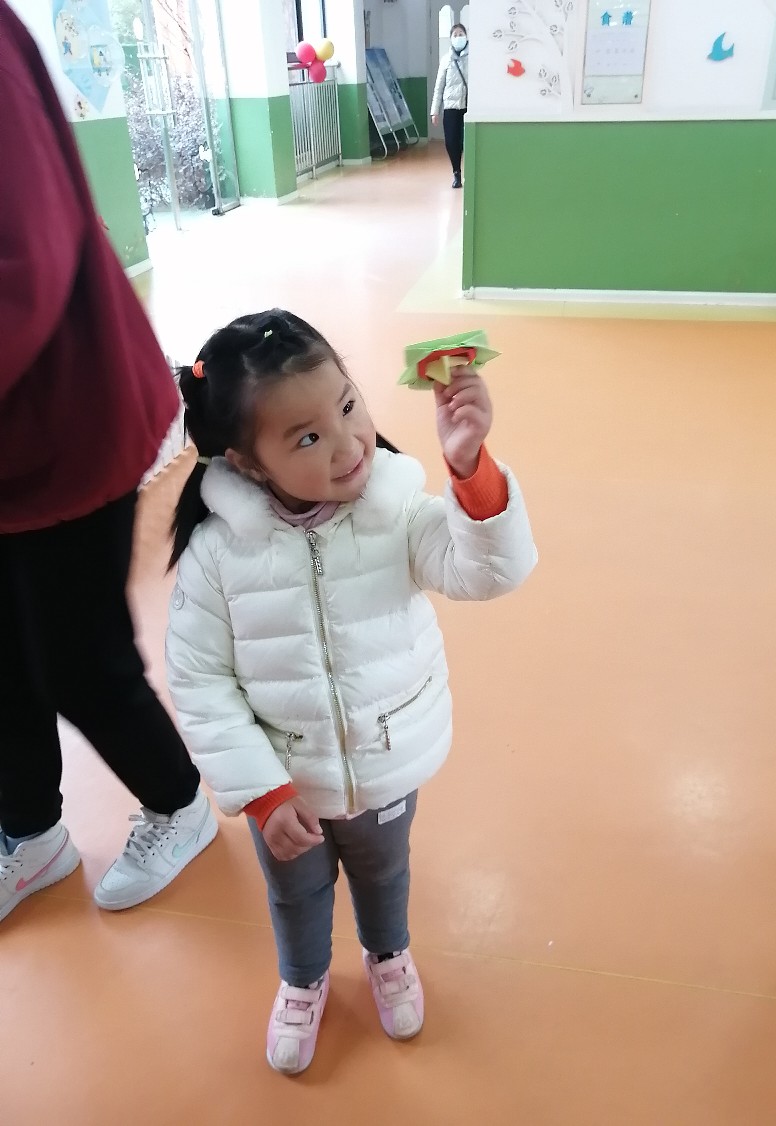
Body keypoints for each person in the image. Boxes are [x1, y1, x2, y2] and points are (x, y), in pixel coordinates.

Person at [165, 309, 537, 1074]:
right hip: (287, 790)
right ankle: (302, 982)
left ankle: (388, 954)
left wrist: (470, 466)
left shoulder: (393, 510)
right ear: (245, 462)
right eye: (307, 438)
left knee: (385, 874)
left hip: (388, 764)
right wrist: (262, 793)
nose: (350, 443)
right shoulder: (218, 555)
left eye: (347, 406)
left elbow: (488, 573)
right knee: (296, 895)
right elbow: (200, 681)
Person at [0, 0, 217, 925]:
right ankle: (31, 832)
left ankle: (180, 803)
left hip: (65, 417)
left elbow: (27, 262)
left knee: (79, 660)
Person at [431, 23, 469, 189]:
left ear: (466, 36)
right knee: (451, 141)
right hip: (451, 106)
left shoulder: (474, 57)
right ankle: (456, 172)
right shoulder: (446, 60)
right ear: (451, 38)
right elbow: (439, 87)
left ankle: (470, 172)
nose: (458, 37)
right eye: (455, 35)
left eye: (461, 34)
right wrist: (435, 111)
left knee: (467, 141)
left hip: (469, 105)